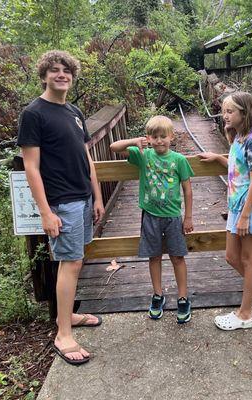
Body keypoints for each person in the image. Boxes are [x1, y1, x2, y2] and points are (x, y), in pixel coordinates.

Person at [17, 50, 105, 365]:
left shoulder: (74, 111)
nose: (61, 75)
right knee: (69, 263)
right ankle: (63, 333)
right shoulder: (34, 113)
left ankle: (66, 317)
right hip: (61, 202)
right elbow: (31, 167)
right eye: (54, 70)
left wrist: (97, 196)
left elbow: (86, 156)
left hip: (82, 197)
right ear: (44, 76)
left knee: (76, 261)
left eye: (66, 70)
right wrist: (45, 212)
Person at [198, 92, 252, 330]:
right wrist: (218, 158)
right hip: (237, 205)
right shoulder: (239, 138)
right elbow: (238, 169)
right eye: (224, 111)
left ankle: (245, 314)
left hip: (251, 207)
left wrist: (245, 216)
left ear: (245, 113)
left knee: (248, 258)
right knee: (232, 257)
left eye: (230, 111)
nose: (225, 115)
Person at [110, 115, 194, 323]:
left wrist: (189, 217)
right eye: (154, 137)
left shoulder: (179, 160)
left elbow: (187, 189)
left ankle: (183, 297)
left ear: (171, 137)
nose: (159, 141)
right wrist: (133, 142)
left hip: (173, 216)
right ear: (148, 138)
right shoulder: (143, 155)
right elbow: (114, 147)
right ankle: (158, 295)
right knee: (154, 256)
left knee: (177, 257)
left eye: (163, 136)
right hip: (150, 215)